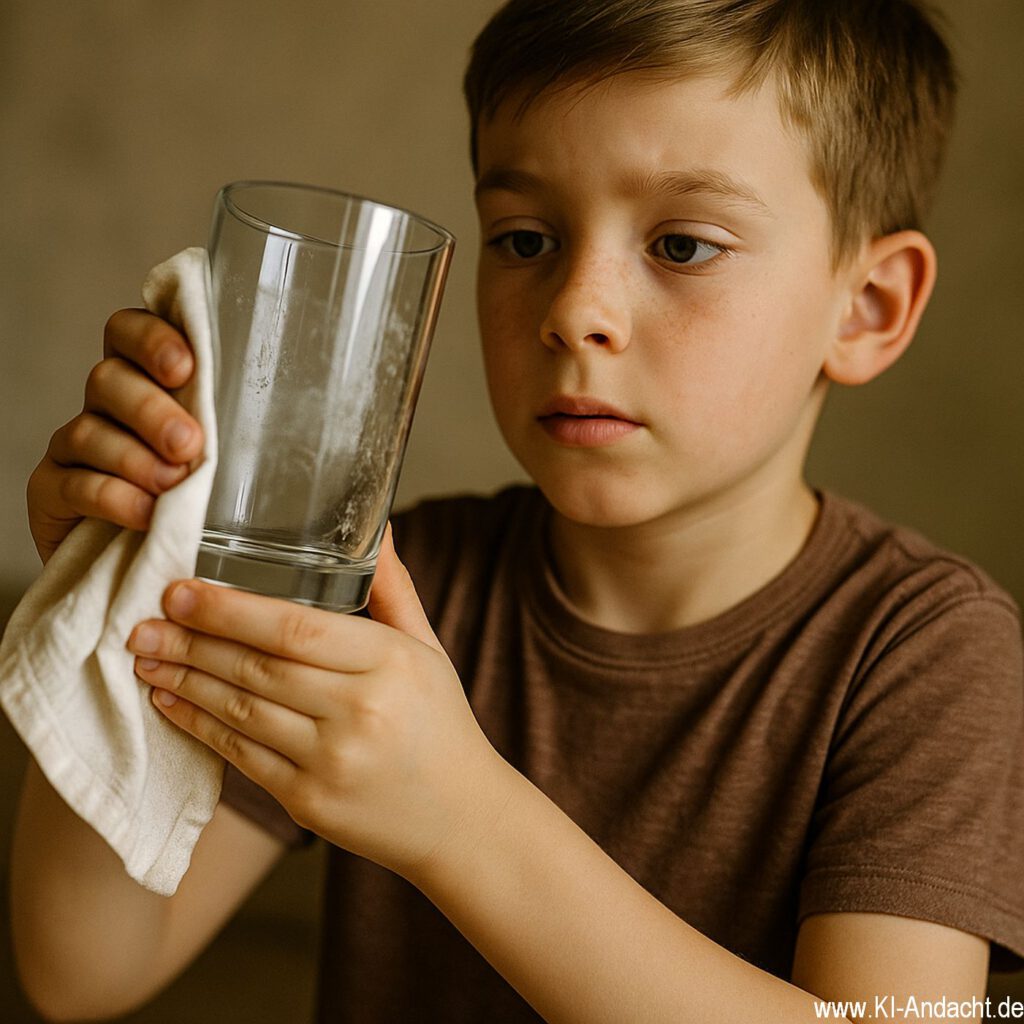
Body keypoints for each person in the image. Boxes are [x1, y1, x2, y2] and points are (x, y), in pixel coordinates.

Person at [11, 0, 1024, 1021]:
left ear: (866, 308)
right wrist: (111, 582)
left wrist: (459, 817)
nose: (572, 309)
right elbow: (82, 970)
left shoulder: (928, 654)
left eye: (682, 245)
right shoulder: (395, 580)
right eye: (526, 237)